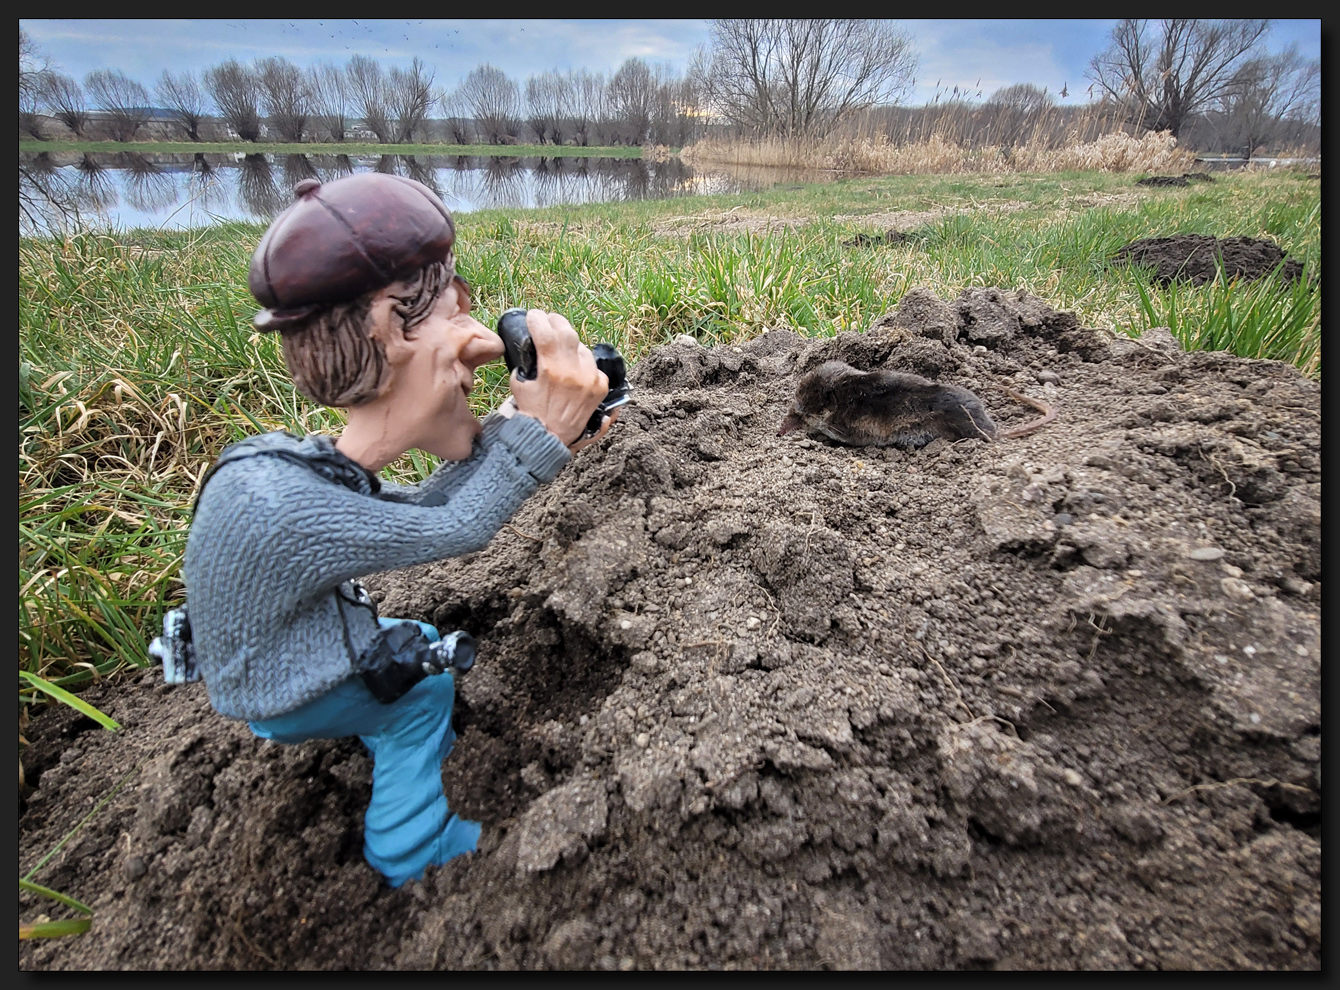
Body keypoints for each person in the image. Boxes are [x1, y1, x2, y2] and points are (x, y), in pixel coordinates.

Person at [152, 173, 616, 887]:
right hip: (283, 688)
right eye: (451, 312)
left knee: (421, 642)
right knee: (421, 693)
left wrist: (524, 437)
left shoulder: (286, 473)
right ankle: (411, 846)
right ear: (388, 328)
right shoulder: (291, 511)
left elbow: (419, 507)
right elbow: (457, 525)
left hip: (274, 654)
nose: (476, 347)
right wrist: (538, 435)